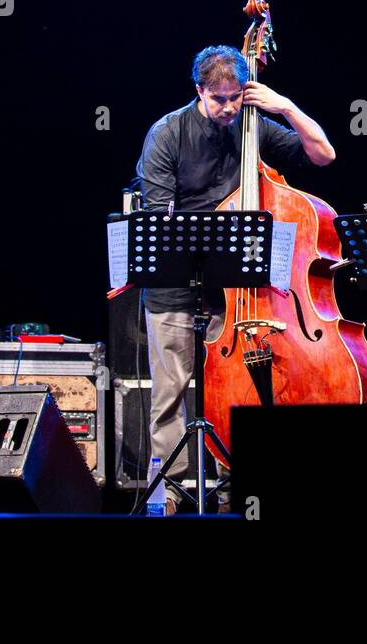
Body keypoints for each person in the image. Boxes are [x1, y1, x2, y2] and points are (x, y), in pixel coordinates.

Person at [133, 43, 335, 512]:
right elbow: (158, 218)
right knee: (171, 393)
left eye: (235, 98)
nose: (228, 109)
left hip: (242, 289)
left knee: (239, 387)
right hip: (177, 281)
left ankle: (237, 489)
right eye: (218, 99)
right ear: (199, 90)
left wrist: (285, 107)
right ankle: (168, 496)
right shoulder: (167, 133)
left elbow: (324, 155)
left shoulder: (254, 123)